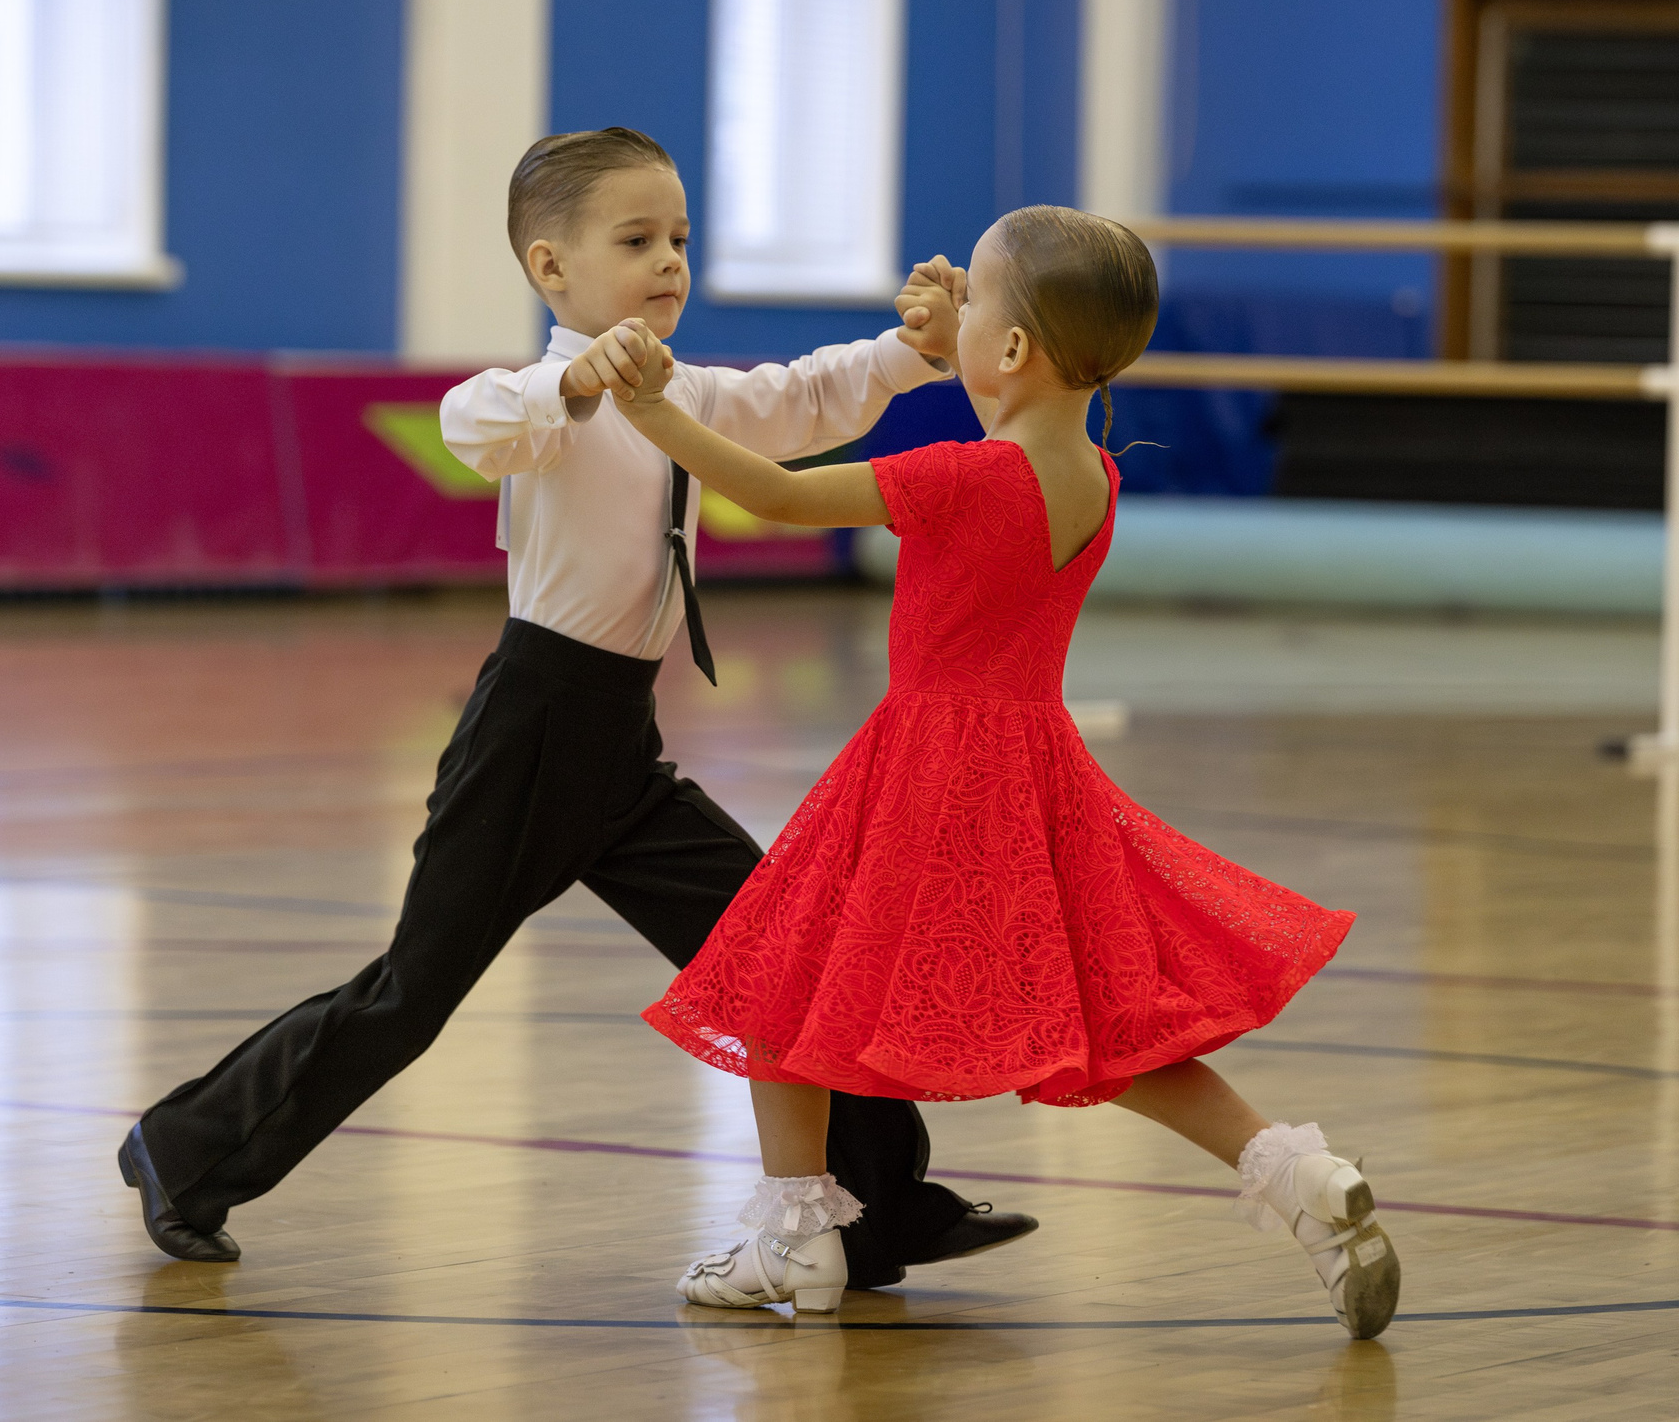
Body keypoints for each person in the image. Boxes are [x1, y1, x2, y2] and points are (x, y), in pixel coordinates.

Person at [115, 128, 1036, 1292]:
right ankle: (184, 1149)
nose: (669, 261)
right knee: (410, 995)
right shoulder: (544, 405)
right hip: (530, 737)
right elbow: (472, 421)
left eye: (679, 239)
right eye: (636, 240)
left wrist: (913, 353)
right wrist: (575, 378)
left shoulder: (684, 395)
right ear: (551, 268)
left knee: (783, 951)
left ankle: (884, 1209)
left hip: (619, 748)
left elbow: (804, 398)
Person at [606, 205, 1400, 1337]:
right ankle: (1293, 1173)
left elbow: (776, 495)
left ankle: (795, 1238)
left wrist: (653, 409)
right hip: (1033, 773)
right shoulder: (1094, 478)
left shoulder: (961, 477)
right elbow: (1015, 432)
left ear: (1017, 347)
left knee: (780, 973)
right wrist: (954, 340)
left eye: (973, 300)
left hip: (924, 768)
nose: (954, 308)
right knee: (1107, 1022)